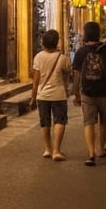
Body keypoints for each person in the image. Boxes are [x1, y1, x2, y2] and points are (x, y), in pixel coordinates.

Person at [71, 21, 106, 167]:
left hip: (87, 93)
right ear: (98, 33)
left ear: (86, 33)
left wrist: (76, 93)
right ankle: (100, 149)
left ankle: (91, 153)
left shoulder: (81, 52)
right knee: (103, 122)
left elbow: (76, 75)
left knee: (88, 123)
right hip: (105, 92)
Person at [29, 29, 71, 161]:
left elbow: (35, 80)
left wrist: (33, 97)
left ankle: (47, 149)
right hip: (58, 94)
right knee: (59, 120)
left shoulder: (38, 57)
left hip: (42, 95)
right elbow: (68, 72)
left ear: (43, 43)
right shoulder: (62, 58)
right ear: (57, 42)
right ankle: (56, 151)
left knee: (45, 122)